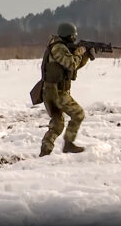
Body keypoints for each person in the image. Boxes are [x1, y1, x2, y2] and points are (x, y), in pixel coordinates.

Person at [39, 23, 93, 157]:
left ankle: (45, 153)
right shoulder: (58, 48)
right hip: (56, 93)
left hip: (52, 91)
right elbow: (71, 63)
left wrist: (85, 56)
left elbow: (73, 67)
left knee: (57, 124)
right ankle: (68, 144)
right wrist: (79, 53)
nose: (75, 38)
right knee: (78, 114)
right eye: (73, 35)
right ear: (68, 35)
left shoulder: (60, 46)